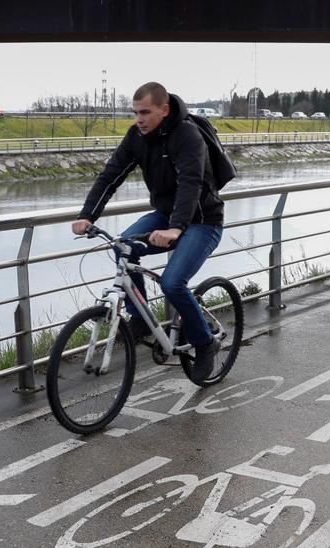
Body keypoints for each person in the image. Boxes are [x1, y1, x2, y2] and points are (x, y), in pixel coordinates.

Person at [71, 82, 224, 381]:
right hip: (166, 216)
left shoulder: (188, 135)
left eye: (145, 112)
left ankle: (206, 344)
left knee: (173, 283)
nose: (138, 119)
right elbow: (110, 177)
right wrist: (87, 215)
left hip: (203, 221)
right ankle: (140, 317)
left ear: (164, 110)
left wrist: (176, 228)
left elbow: (190, 183)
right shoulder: (136, 137)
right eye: (135, 112)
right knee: (121, 246)